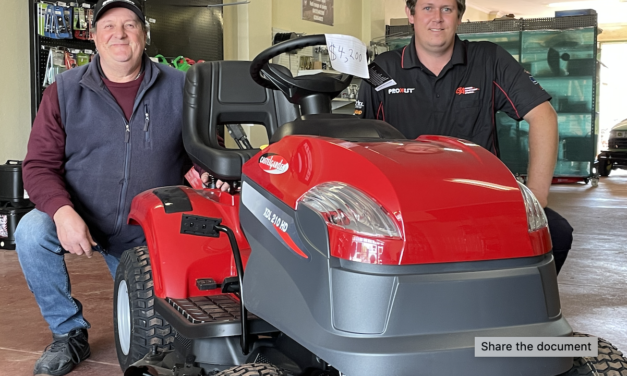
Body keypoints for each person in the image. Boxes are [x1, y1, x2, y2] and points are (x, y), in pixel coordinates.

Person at [15, 0, 227, 375]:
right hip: (82, 215)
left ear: (144, 35)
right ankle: (68, 335)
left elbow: (206, 149)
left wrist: (206, 170)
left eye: (130, 25)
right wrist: (63, 213)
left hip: (149, 229)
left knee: (179, 338)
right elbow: (38, 165)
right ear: (94, 36)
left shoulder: (181, 86)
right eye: (109, 26)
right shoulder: (63, 91)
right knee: (31, 231)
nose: (120, 34)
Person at [356, 0, 573, 273]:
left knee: (557, 234)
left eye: (447, 9)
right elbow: (359, 139)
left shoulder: (489, 59)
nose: (437, 18)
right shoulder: (381, 70)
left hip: (478, 202)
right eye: (427, 8)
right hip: (404, 206)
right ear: (410, 15)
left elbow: (544, 116)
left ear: (459, 17)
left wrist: (537, 198)